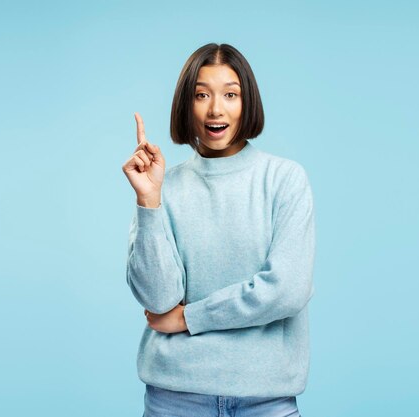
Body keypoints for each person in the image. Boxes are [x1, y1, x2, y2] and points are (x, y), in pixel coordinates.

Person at [122, 43, 315, 417]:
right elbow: (159, 301)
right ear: (186, 105)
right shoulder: (165, 186)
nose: (215, 108)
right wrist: (149, 200)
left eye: (230, 94)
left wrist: (190, 318)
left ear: (248, 103)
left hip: (267, 402)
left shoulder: (284, 180)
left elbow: (288, 289)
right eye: (201, 95)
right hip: (174, 400)